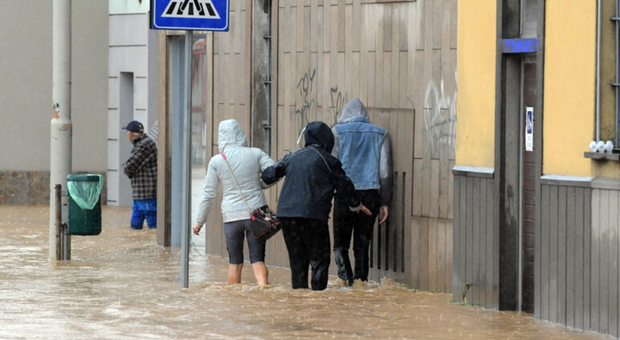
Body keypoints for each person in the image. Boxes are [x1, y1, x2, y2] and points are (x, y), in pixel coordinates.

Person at [261, 121, 371, 291]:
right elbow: (344, 185)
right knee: (320, 260)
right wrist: (356, 205)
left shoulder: (292, 156)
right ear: (327, 140)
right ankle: (317, 299)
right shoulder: (328, 160)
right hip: (312, 216)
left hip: (287, 216)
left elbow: (268, 175)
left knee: (297, 261)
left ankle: (299, 299)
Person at [192, 119, 274, 285]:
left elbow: (209, 193)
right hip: (256, 214)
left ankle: (234, 296)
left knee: (235, 262)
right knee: (258, 260)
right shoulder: (256, 153)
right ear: (241, 134)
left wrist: (200, 221)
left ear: (221, 137)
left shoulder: (217, 161)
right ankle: (264, 291)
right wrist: (259, 185)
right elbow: (274, 172)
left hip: (232, 217)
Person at [331, 98, 392, 286]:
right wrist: (385, 203)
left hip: (344, 195)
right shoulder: (381, 134)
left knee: (340, 245)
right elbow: (385, 172)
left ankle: (346, 282)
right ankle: (361, 285)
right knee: (362, 247)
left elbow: (333, 167)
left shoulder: (337, 132)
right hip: (371, 195)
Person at [122, 120, 158, 230]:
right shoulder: (140, 144)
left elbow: (130, 166)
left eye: (127, 132)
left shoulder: (145, 144)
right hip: (139, 193)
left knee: (153, 222)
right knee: (135, 225)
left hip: (146, 193)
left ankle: (156, 246)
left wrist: (126, 168)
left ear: (130, 134)